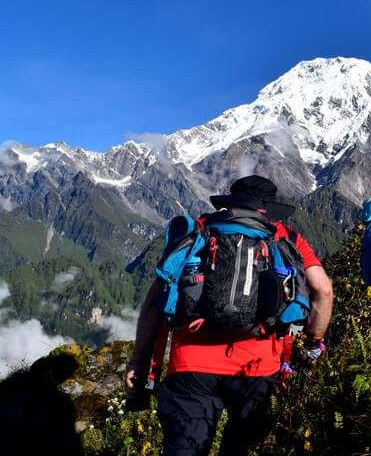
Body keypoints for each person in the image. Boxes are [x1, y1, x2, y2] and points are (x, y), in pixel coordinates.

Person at [125, 175, 334, 456]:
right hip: (257, 367)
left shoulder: (200, 230)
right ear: (270, 208)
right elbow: (323, 291)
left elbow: (156, 301)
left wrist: (140, 362)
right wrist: (313, 343)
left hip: (191, 364)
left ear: (230, 202)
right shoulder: (285, 236)